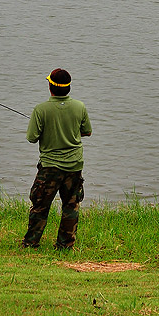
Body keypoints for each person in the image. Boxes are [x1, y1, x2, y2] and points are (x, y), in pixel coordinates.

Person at [22, 67, 92, 250]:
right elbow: (87, 132)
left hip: (49, 168)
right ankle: (65, 245)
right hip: (74, 166)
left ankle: (30, 243)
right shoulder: (80, 107)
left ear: (51, 87)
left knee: (40, 205)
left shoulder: (40, 109)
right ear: (68, 87)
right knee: (71, 206)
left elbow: (31, 137)